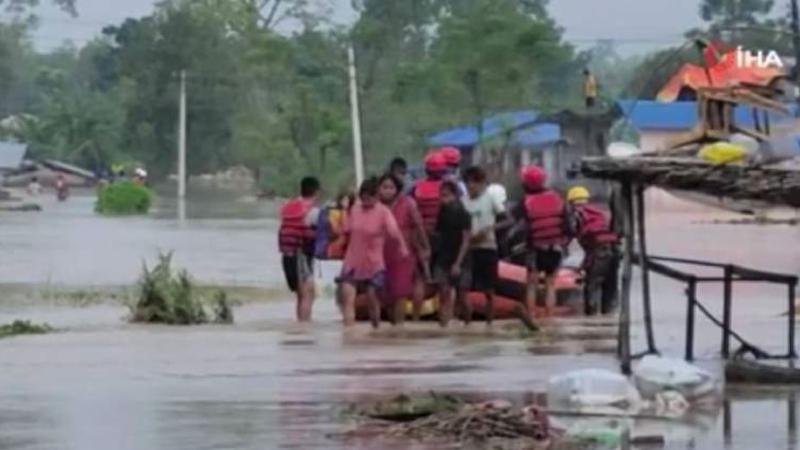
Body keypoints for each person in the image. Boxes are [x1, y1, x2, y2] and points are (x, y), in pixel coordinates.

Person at [338, 177, 408, 329]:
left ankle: (375, 329)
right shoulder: (355, 209)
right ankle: (349, 334)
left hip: (373, 264)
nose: (365, 201)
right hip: (352, 262)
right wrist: (344, 210)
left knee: (372, 298)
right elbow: (346, 229)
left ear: (376, 197)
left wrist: (402, 247)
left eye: (369, 198)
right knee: (347, 298)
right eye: (363, 198)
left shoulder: (383, 212)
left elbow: (394, 232)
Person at [514, 165, 573, 320]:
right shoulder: (557, 197)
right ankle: (550, 318)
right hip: (556, 248)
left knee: (532, 285)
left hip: (535, 248)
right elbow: (568, 225)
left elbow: (517, 222)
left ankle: (532, 316)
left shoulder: (525, 201)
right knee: (550, 284)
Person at [378, 174, 431, 325]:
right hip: (380, 254)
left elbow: (418, 226)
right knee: (385, 293)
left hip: (404, 253)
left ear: (397, 189)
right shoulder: (375, 206)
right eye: (384, 187)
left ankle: (401, 325)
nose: (387, 191)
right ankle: (393, 322)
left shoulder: (407, 203)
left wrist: (425, 246)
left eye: (391, 187)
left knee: (400, 292)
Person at [567, 186, 620, 315]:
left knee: (592, 286)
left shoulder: (576, 215)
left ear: (570, 202)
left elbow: (570, 236)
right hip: (614, 252)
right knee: (610, 288)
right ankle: (608, 320)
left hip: (598, 253)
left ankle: (591, 319)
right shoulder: (599, 213)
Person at [278, 177, 321, 322]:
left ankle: (300, 326)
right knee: (309, 293)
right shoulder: (313, 211)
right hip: (301, 255)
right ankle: (305, 327)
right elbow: (320, 231)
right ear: (316, 191)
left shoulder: (290, 206)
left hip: (287, 255)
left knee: (301, 294)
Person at [432, 180, 472, 328]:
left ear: (455, 195)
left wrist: (458, 263)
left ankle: (468, 325)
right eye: (441, 196)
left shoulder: (464, 214)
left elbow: (466, 240)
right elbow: (438, 235)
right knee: (443, 293)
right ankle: (444, 327)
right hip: (444, 258)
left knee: (462, 297)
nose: (443, 199)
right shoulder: (441, 213)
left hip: (462, 259)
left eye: (446, 195)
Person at [411, 151, 448, 236]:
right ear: (444, 170)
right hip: (444, 231)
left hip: (422, 230)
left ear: (426, 170)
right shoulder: (450, 186)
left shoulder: (416, 187)